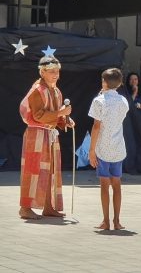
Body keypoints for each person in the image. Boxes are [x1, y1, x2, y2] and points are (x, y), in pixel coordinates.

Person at [19, 56, 74, 220]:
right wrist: (60, 113)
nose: (56, 74)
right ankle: (25, 208)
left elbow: (55, 116)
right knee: (32, 170)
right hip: (35, 135)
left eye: (57, 71)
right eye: (52, 71)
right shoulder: (37, 90)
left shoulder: (56, 90)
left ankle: (48, 207)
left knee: (50, 171)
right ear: (42, 72)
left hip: (49, 135)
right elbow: (38, 115)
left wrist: (65, 121)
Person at [88, 68, 129, 230]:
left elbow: (96, 126)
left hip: (103, 148)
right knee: (117, 183)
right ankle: (117, 221)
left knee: (104, 184)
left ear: (104, 82)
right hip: (118, 147)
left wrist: (92, 150)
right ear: (119, 83)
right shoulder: (123, 101)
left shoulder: (98, 101)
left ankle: (105, 221)